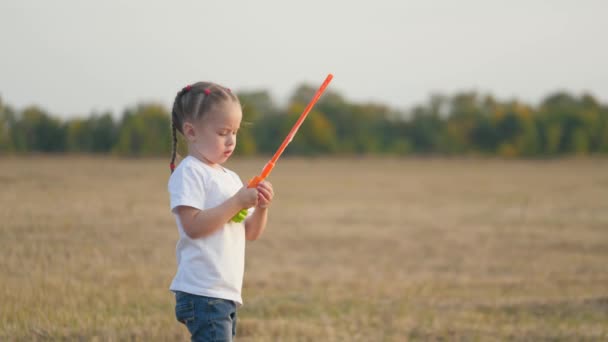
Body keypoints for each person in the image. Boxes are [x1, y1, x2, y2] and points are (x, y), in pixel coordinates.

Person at [167, 82, 274, 341]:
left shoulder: (230, 178)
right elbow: (193, 227)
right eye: (223, 132)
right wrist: (237, 202)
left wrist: (261, 207)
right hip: (202, 292)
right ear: (191, 132)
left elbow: (250, 233)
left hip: (225, 293)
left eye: (235, 132)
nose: (231, 140)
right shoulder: (190, 172)